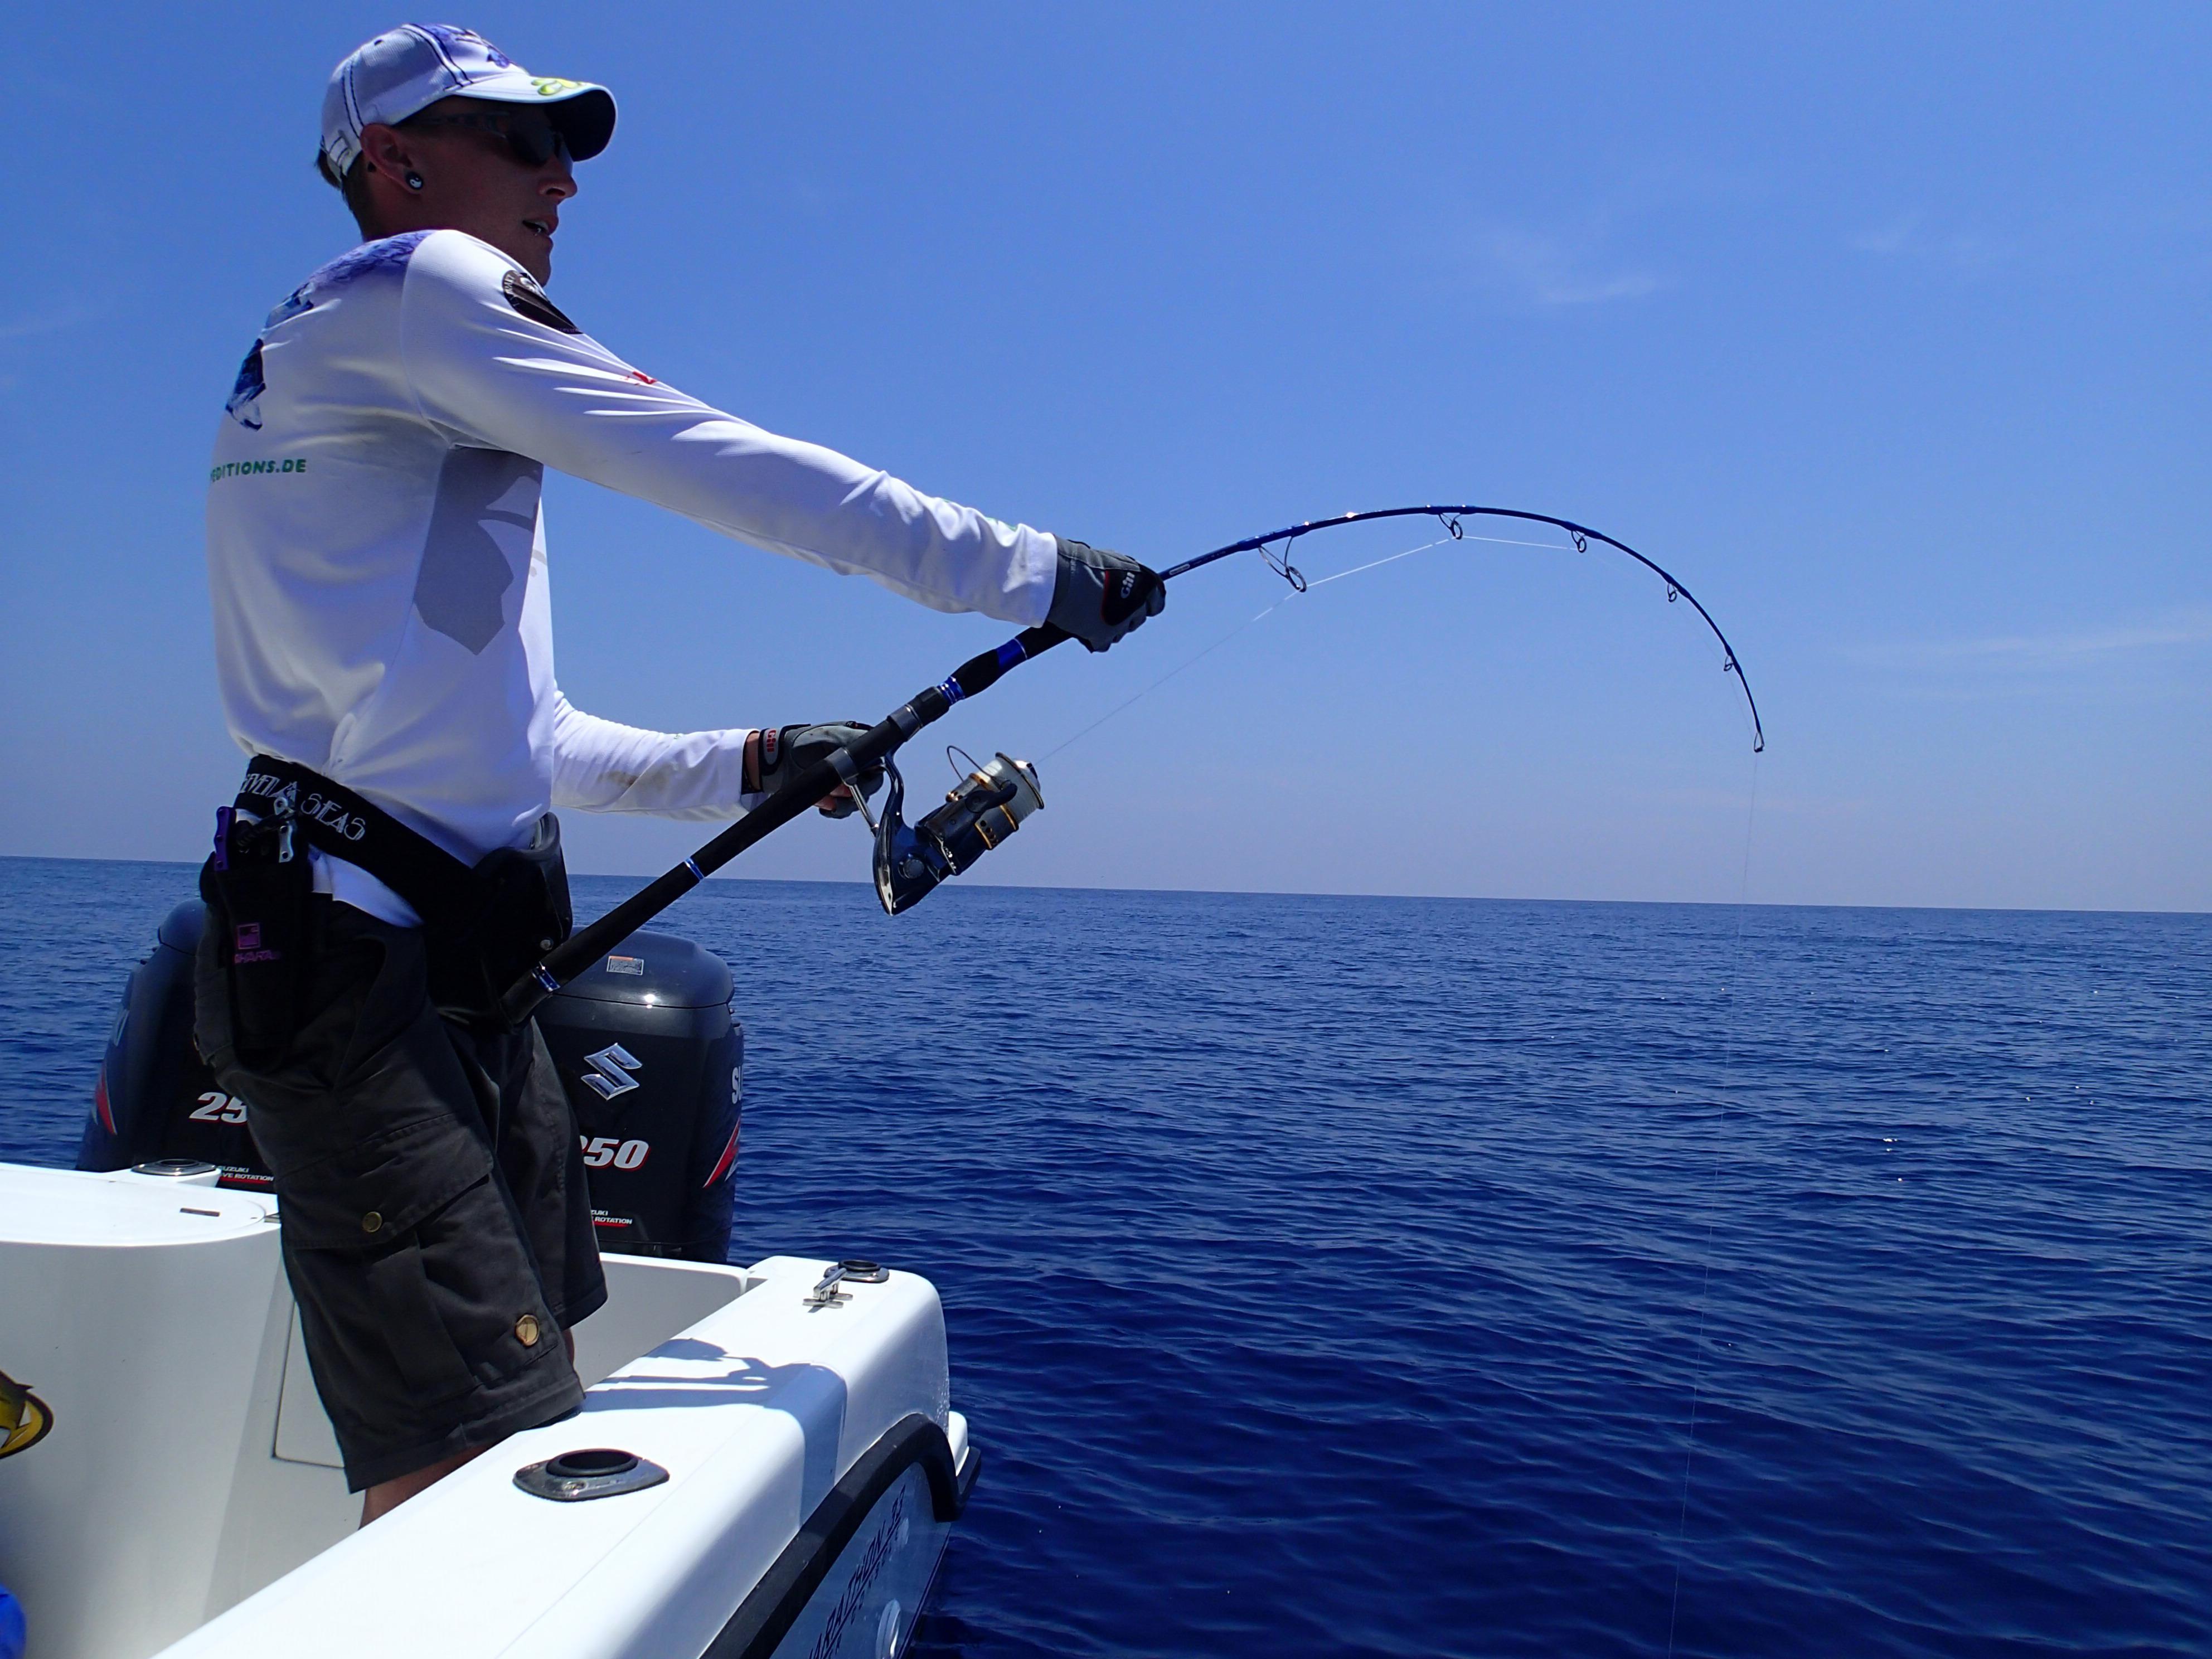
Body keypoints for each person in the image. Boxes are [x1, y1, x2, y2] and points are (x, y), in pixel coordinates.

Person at [195, 23, 1162, 1527]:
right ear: (392, 162)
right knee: (458, 1486)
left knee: (523, 1420)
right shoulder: (419, 290)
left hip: (444, 965)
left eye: (564, 146)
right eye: (521, 142)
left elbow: (533, 747)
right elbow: (718, 460)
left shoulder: (364, 365)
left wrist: (758, 761)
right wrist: (1027, 573)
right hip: (358, 975)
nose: (561, 180)